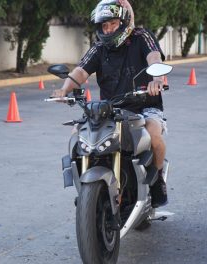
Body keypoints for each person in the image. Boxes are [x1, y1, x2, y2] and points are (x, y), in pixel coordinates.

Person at [51, 0, 168, 207]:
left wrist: (156, 79)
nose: (108, 29)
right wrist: (64, 89)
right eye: (104, 26)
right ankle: (87, 188)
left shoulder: (141, 37)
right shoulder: (99, 48)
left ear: (124, 22)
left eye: (112, 24)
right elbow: (81, 71)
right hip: (110, 108)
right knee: (78, 136)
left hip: (144, 104)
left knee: (154, 135)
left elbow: (154, 56)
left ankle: (157, 179)